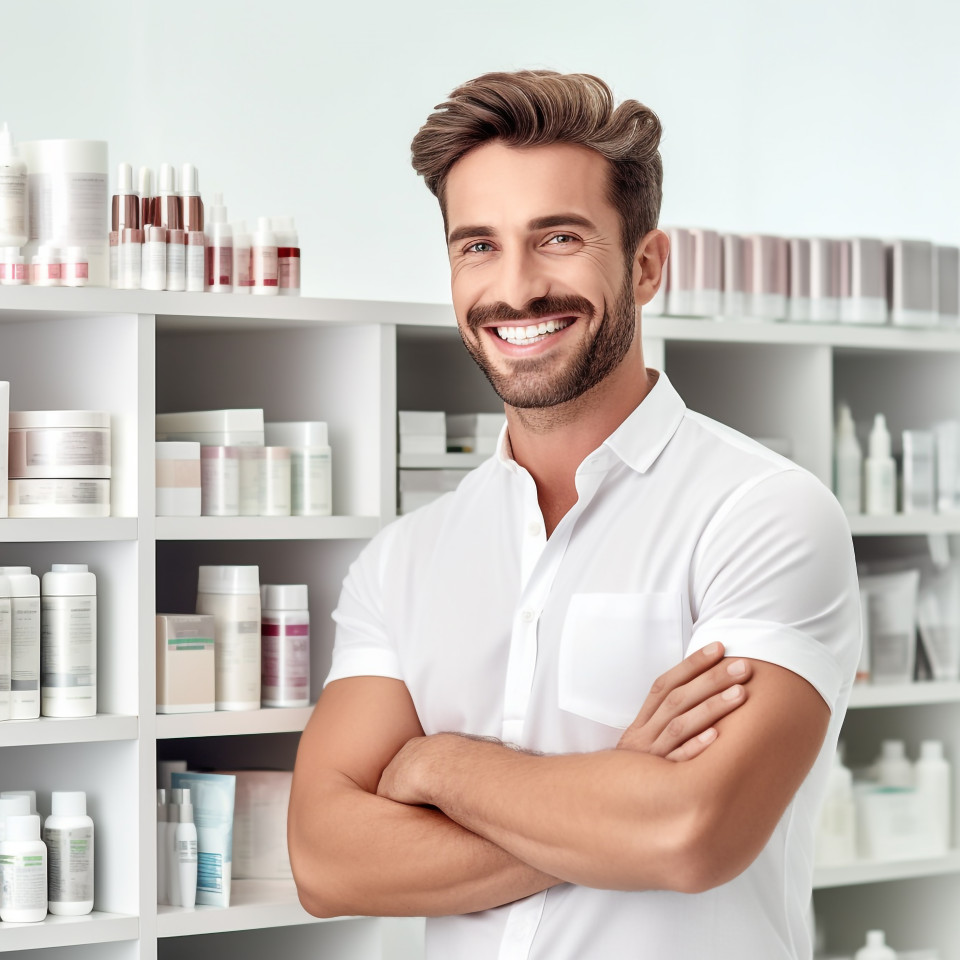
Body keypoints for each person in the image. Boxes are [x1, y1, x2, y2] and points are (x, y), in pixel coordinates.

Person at [289, 70, 860, 959]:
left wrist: (441, 765)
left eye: (557, 237)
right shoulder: (404, 560)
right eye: (477, 246)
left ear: (645, 265)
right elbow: (325, 861)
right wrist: (612, 802)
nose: (514, 289)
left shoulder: (762, 516)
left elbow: (691, 834)